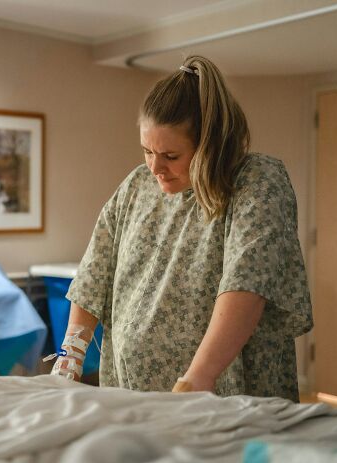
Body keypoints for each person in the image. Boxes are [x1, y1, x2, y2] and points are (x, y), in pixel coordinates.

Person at [49, 55, 313, 402]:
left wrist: (196, 379)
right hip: (132, 392)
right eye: (147, 151)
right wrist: (70, 356)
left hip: (220, 396)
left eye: (171, 156)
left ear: (211, 144)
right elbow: (95, 272)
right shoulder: (137, 186)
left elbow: (247, 284)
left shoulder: (255, 183)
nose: (155, 167)